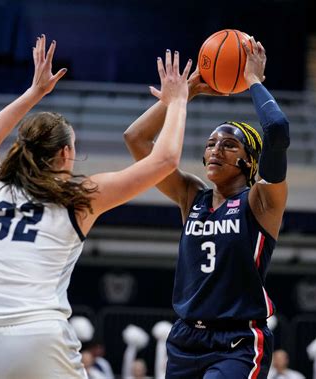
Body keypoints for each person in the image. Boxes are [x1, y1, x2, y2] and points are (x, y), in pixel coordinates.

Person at [0, 35, 192, 379]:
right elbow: (164, 160)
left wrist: (34, 93)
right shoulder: (77, 197)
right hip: (32, 333)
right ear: (64, 154)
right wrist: (178, 101)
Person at [124, 36, 290, 379]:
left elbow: (276, 129)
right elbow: (136, 139)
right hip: (186, 338)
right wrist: (187, 94)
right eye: (212, 143)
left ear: (249, 161)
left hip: (238, 341)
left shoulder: (261, 201)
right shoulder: (192, 195)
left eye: (229, 145)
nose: (216, 150)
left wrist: (254, 80)